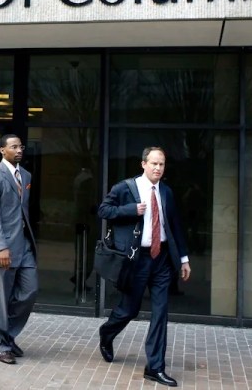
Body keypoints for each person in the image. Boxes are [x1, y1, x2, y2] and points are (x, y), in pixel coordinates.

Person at [97, 147, 191, 387]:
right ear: (143, 164)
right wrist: (130, 209)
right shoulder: (126, 188)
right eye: (154, 164)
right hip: (136, 260)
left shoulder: (166, 192)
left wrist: (183, 259)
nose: (158, 168)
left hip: (161, 260)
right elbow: (103, 210)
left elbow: (175, 226)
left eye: (161, 164)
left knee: (161, 313)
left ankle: (155, 367)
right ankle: (107, 334)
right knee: (129, 309)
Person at [0, 134, 38, 365]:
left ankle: (8, 335)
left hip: (23, 245)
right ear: (2, 150)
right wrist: (1, 247)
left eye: (21, 146)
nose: (19, 150)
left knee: (30, 290)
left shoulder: (25, 176)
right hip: (1, 248)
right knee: (0, 301)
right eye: (14, 147)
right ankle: (1, 345)